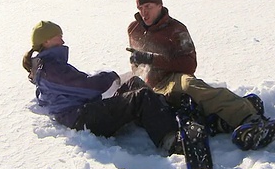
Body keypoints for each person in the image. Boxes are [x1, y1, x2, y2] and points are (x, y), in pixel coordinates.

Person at [126, 0, 275, 150]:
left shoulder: (176, 29)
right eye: (141, 8)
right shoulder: (134, 29)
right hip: (150, 88)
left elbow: (189, 64)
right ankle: (225, 120)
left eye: (149, 7)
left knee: (191, 86)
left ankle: (248, 116)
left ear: (160, 6)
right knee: (181, 112)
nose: (144, 13)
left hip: (174, 78)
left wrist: (152, 59)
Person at [23, 20, 181, 154]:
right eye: (59, 37)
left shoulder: (48, 66)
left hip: (80, 111)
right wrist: (110, 77)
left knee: (133, 83)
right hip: (80, 118)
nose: (63, 42)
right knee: (140, 98)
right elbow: (86, 86)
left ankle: (163, 112)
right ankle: (172, 141)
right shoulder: (51, 69)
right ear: (46, 41)